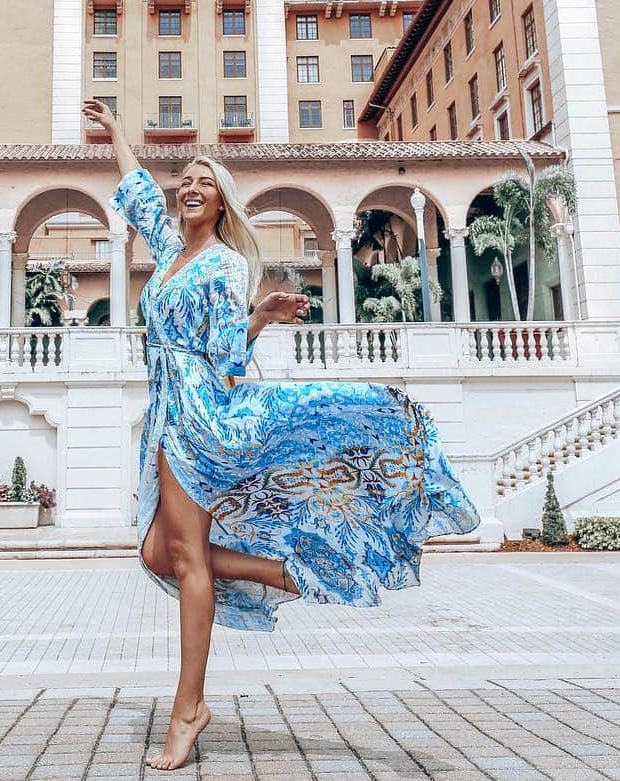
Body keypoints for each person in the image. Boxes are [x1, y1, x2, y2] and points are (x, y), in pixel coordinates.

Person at [84, 99, 480, 772]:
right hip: (167, 413)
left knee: (183, 556)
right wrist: (119, 133)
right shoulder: (172, 249)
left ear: (220, 205)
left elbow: (227, 362)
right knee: (160, 552)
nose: (189, 186)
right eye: (187, 178)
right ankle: (287, 571)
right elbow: (138, 193)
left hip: (199, 417)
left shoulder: (225, 268)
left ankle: (188, 709)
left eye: (204, 182)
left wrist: (260, 314)